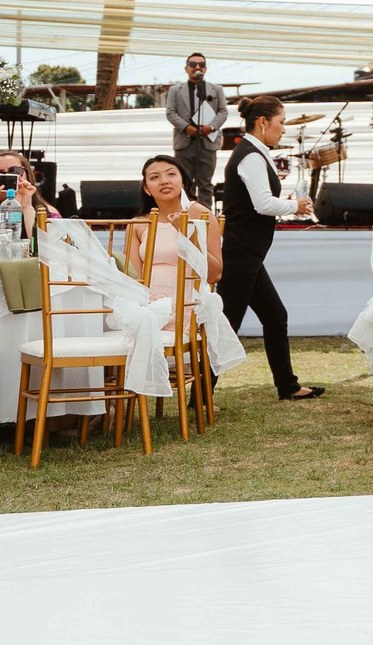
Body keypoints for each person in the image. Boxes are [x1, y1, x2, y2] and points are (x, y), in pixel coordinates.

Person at [218, 94, 322, 401]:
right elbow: (262, 204)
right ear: (263, 123)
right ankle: (198, 395)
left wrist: (290, 203)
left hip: (249, 254)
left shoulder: (253, 152)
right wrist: (295, 204)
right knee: (226, 327)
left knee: (276, 316)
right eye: (281, 122)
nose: (283, 129)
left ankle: (287, 386)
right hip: (241, 254)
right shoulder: (250, 155)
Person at [124, 155, 222, 298]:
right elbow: (133, 279)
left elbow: (215, 275)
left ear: (182, 181)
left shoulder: (201, 215)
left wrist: (186, 234)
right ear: (146, 189)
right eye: (154, 177)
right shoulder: (138, 224)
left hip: (187, 303)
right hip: (148, 306)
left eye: (171, 174)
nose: (164, 181)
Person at [165, 53, 226, 208]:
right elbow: (170, 112)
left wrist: (211, 127)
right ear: (186, 68)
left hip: (207, 142)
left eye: (201, 64)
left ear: (205, 69)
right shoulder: (175, 90)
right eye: (193, 64)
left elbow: (223, 112)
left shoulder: (216, 89)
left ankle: (205, 219)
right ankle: (184, 215)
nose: (197, 67)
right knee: (184, 182)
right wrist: (186, 127)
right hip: (185, 142)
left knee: (205, 183)